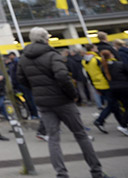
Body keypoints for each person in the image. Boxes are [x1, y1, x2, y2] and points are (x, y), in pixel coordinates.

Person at [17, 27, 107, 178]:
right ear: (45, 38)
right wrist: (73, 95)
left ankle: (61, 173)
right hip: (62, 100)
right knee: (80, 135)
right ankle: (96, 171)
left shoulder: (24, 58)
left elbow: (21, 79)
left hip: (43, 102)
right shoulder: (52, 55)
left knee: (53, 138)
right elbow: (63, 77)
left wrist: (36, 90)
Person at [99, 50, 128, 136]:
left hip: (113, 89)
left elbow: (106, 77)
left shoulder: (103, 67)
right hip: (124, 87)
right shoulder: (120, 64)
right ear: (111, 55)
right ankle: (123, 126)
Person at [83, 44, 122, 134]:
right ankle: (100, 120)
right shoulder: (98, 59)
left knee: (114, 105)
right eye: (96, 48)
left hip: (97, 84)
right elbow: (105, 71)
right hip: (106, 84)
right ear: (92, 49)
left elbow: (88, 75)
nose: (97, 49)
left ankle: (123, 123)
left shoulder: (84, 61)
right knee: (112, 104)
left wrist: (94, 86)